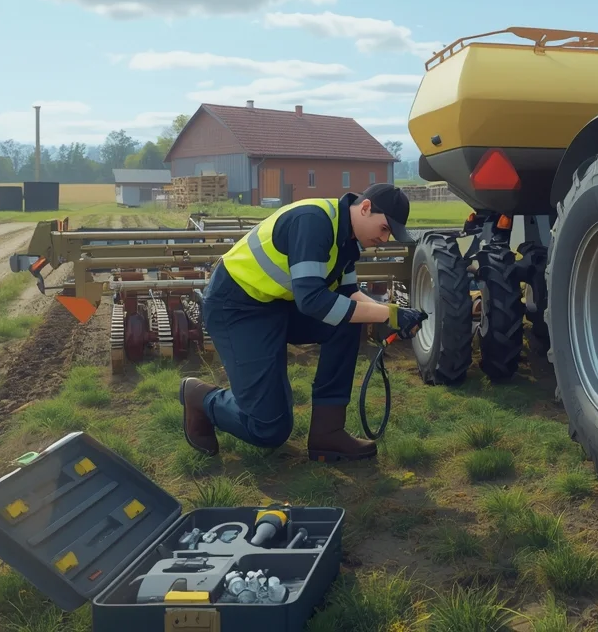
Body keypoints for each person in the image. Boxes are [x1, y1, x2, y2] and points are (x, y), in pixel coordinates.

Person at [179, 183, 426, 463]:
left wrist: (392, 313)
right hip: (236, 308)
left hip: (276, 306)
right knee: (268, 429)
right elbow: (313, 302)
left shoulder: (346, 238)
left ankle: (327, 433)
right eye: (384, 229)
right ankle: (200, 398)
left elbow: (348, 294)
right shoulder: (314, 221)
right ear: (366, 208)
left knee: (346, 322)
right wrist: (389, 315)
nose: (385, 238)